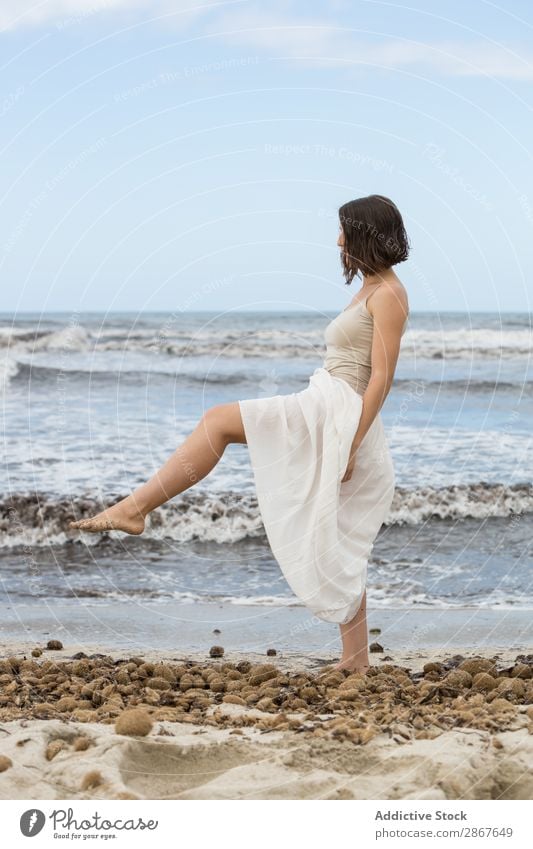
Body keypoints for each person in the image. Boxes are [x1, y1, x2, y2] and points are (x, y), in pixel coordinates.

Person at [70, 194, 410, 674]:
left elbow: (381, 377)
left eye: (343, 231)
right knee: (333, 533)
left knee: (219, 422)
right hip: (329, 407)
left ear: (364, 235)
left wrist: (350, 442)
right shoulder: (372, 287)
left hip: (339, 417)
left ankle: (135, 509)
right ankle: (355, 661)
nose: (337, 240)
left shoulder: (389, 294)